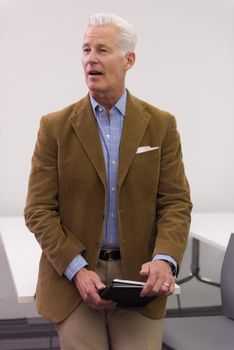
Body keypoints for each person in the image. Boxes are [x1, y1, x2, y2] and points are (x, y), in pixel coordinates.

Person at [24, 13, 192, 350]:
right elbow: (39, 210)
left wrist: (165, 259)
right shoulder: (55, 127)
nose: (90, 59)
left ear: (129, 60)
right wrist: (77, 270)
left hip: (138, 279)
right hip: (74, 281)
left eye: (102, 49)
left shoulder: (161, 125)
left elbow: (175, 203)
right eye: (86, 50)